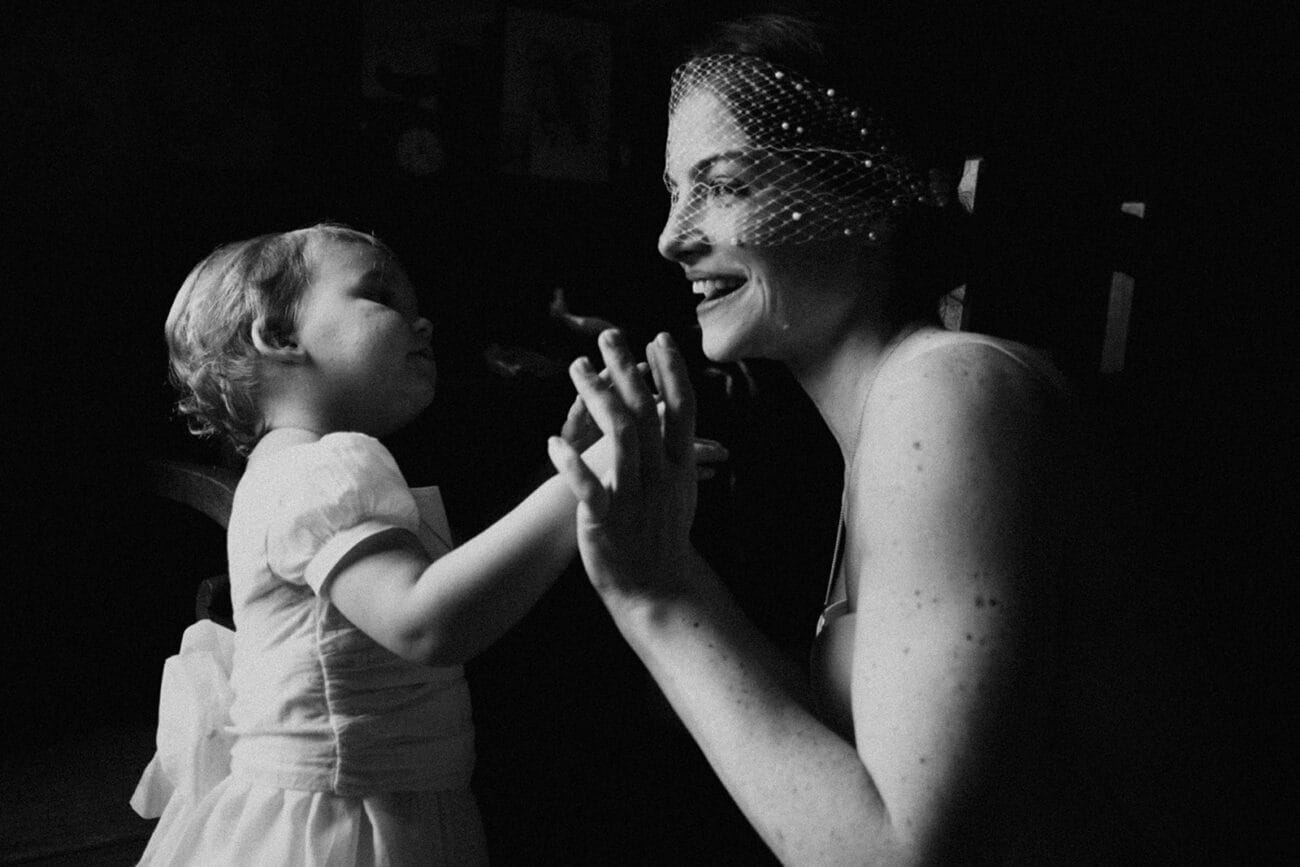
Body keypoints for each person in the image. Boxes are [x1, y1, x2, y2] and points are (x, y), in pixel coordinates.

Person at [546, 13, 1120, 863]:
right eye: (676, 192)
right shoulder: (890, 417)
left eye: (727, 185)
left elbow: (903, 854)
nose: (673, 237)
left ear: (870, 191)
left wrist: (652, 599)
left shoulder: (950, 391)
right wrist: (668, 567)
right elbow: (850, 775)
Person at [131, 222, 721, 865]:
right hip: (349, 823)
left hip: (389, 798)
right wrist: (585, 485)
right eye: (381, 297)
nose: (423, 324)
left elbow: (447, 587)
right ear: (278, 336)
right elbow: (426, 623)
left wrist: (560, 474)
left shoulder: (292, 467)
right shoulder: (325, 467)